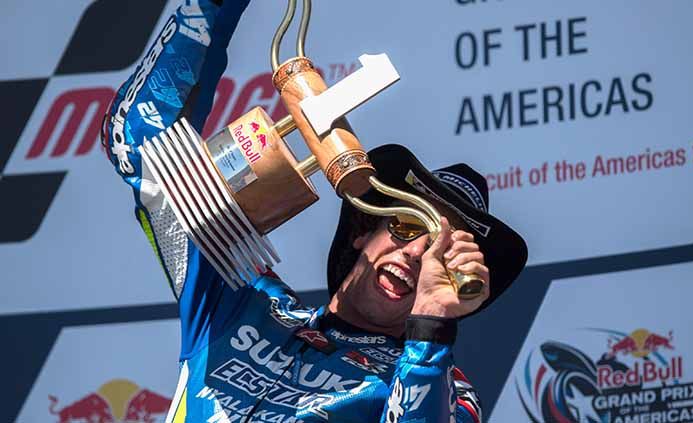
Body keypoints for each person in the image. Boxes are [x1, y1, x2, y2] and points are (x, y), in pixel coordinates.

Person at [100, 1, 527, 421]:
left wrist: (430, 325)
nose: (416, 254)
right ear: (364, 229)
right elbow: (136, 141)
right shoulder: (241, 298)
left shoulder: (443, 388)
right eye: (404, 225)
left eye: (440, 254)